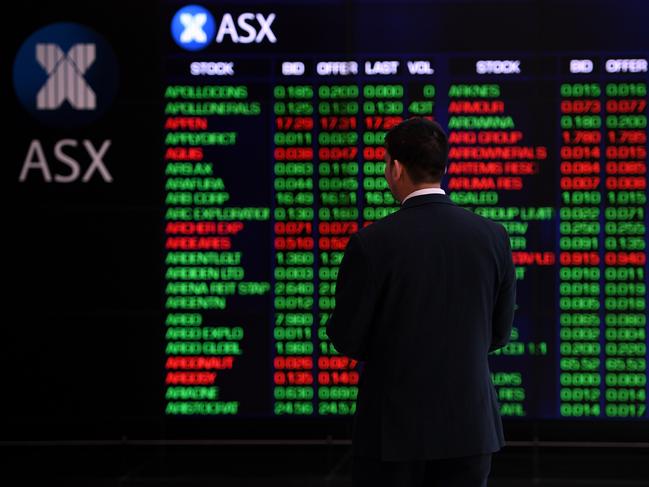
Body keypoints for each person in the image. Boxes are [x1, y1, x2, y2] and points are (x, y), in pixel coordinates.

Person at [326, 117, 516, 487]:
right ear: (442, 167)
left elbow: (347, 338)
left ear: (395, 167)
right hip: (470, 429)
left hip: (392, 433)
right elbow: (499, 334)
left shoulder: (372, 243)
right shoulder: (493, 236)